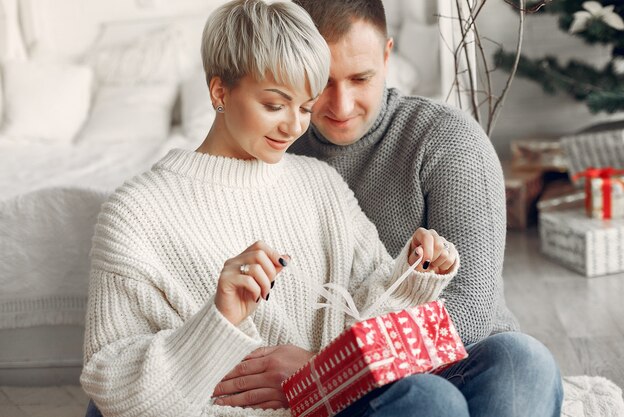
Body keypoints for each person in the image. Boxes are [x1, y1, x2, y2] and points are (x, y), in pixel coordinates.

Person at [80, 1, 460, 416]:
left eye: (304, 106)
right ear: (219, 91)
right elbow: (110, 383)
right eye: (275, 105)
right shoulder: (135, 213)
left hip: (335, 401)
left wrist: (411, 274)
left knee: (513, 357)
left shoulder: (321, 183)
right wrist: (219, 319)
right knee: (431, 400)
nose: (294, 127)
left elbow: (370, 328)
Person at [274, 0, 558, 415]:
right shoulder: (278, 152)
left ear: (387, 56)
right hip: (376, 392)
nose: (342, 104)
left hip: (465, 355)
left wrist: (330, 366)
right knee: (429, 401)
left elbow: (469, 311)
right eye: (321, 82)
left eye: (361, 78)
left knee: (525, 361)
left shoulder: (447, 140)